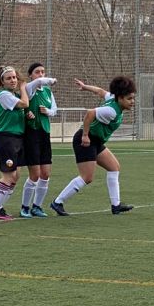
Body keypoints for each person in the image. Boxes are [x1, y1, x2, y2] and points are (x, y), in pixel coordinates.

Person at [50, 76, 137, 216]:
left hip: (96, 141)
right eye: (129, 99)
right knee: (87, 177)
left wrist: (85, 87)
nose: (132, 102)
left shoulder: (111, 99)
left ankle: (116, 206)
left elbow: (100, 91)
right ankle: (58, 202)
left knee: (114, 167)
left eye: (133, 98)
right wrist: (85, 135)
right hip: (85, 140)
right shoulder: (112, 110)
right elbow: (90, 113)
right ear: (120, 98)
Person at [0, 65, 30, 221]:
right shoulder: (3, 94)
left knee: (16, 175)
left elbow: (23, 109)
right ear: (2, 82)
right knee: (8, 174)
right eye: (9, 78)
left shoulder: (13, 94)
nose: (13, 80)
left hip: (17, 137)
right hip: (5, 137)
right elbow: (24, 104)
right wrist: (24, 88)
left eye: (14, 77)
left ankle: (0, 207)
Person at [19, 63, 59, 218]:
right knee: (34, 174)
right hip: (32, 134)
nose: (41, 74)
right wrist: (51, 79)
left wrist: (47, 111)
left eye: (43, 72)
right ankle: (25, 207)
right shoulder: (29, 89)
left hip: (45, 133)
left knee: (45, 173)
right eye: (37, 72)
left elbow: (54, 110)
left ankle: (37, 206)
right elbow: (38, 83)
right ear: (31, 75)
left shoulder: (48, 91)